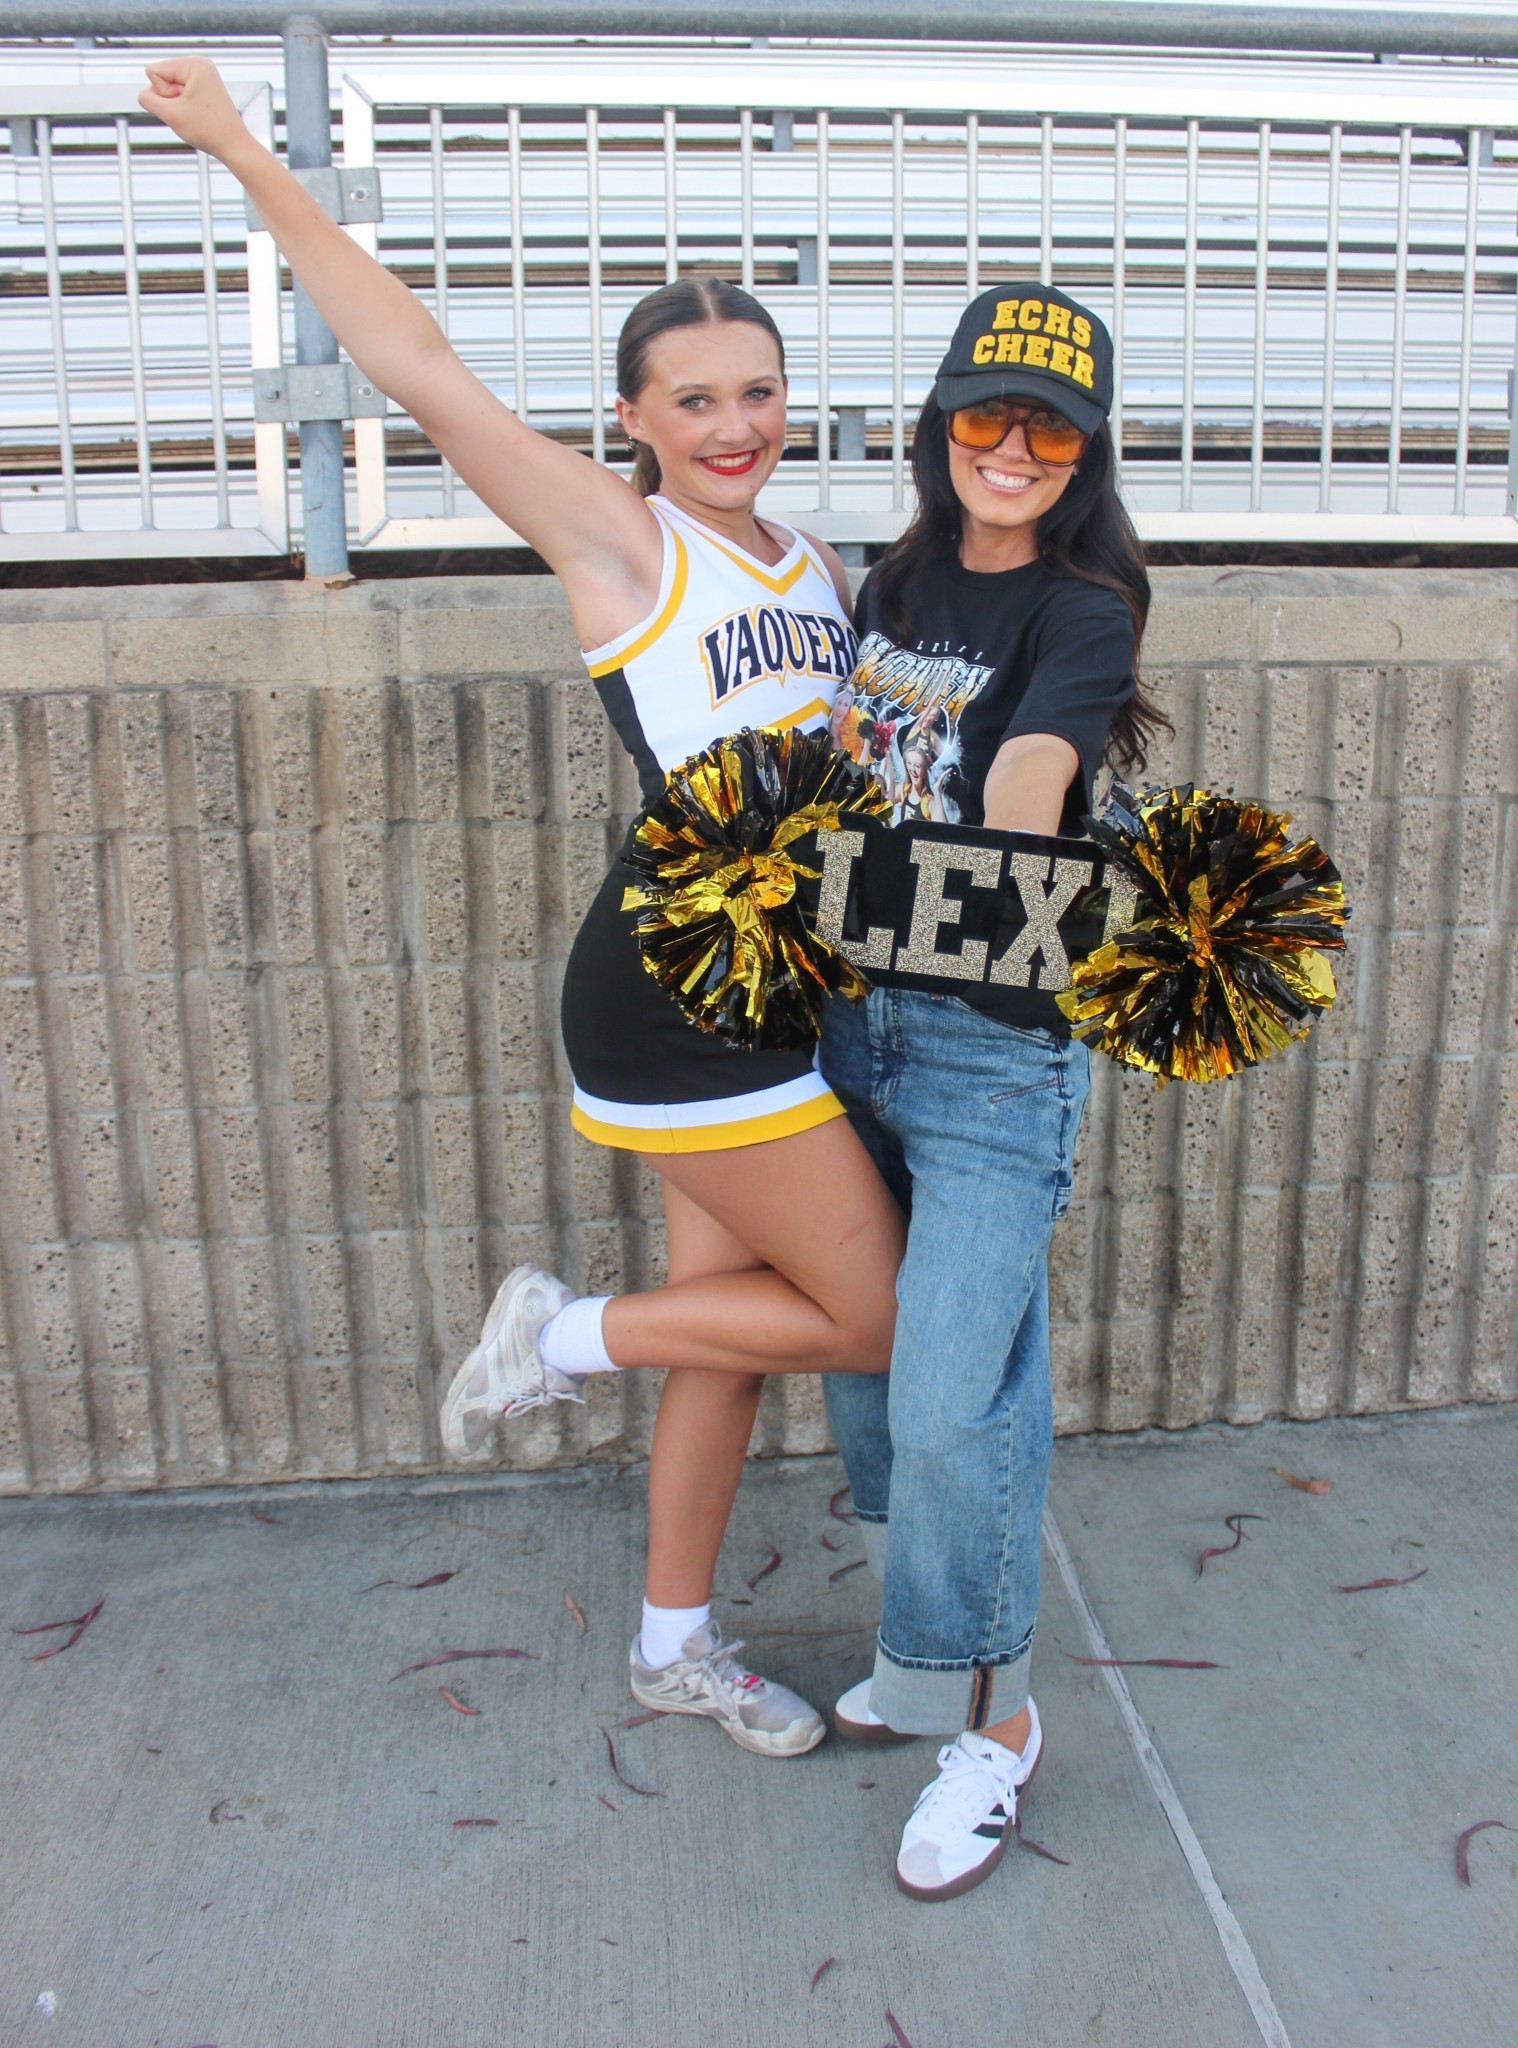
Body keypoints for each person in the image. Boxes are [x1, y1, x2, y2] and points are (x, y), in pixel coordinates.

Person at [141, 58, 904, 1762]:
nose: (732, 425)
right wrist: (243, 151)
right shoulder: (619, 539)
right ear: (627, 417)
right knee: (875, 1314)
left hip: (782, 996)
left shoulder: (817, 567)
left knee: (735, 1348)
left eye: (757, 391)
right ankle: (552, 1331)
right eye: (691, 399)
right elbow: (411, 357)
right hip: (669, 1000)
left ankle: (670, 1647)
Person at [818, 283, 1170, 1899]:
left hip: (988, 1046)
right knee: (872, 1371)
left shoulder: (1082, 609)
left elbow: (1035, 764)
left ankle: (988, 1724)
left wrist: (1005, 840)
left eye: (1047, 428)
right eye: (984, 418)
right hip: (848, 1021)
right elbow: (848, 752)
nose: (1011, 450)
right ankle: (922, 1659)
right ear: (941, 425)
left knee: (960, 1391)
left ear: (1084, 452)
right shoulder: (890, 578)